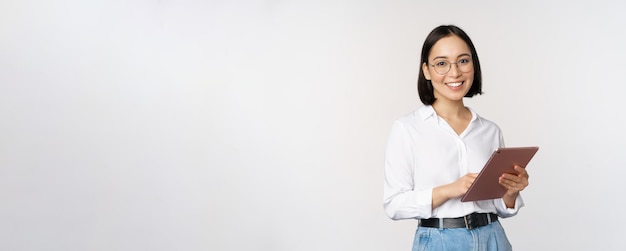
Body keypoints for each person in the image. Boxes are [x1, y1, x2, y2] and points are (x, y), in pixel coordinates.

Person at [383, 25, 529, 251]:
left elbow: (499, 207)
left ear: (473, 65)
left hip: (493, 238)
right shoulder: (407, 128)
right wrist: (450, 189)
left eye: (463, 61)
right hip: (439, 241)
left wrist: (511, 191)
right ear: (427, 70)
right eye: (441, 63)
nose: (455, 73)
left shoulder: (490, 130)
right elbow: (394, 205)